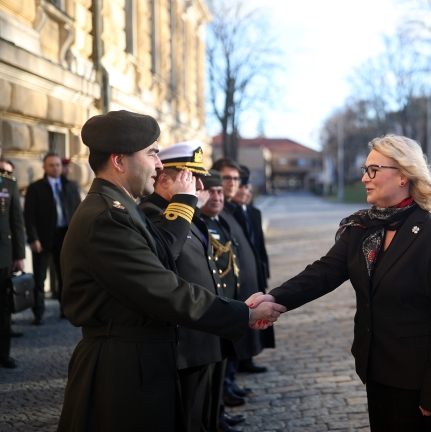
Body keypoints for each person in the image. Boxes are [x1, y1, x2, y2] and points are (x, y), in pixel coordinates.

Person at [57, 110, 285, 432]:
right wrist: (242, 314)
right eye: (151, 153)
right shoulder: (108, 217)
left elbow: (163, 256)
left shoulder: (123, 210)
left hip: (139, 363)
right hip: (122, 370)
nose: (159, 163)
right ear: (120, 161)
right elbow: (166, 290)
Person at [250, 134, 431, 431]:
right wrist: (274, 299)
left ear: (403, 175)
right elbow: (323, 273)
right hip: (376, 369)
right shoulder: (362, 228)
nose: (365, 178)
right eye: (365, 170)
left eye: (373, 170)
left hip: (418, 381)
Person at [139, 141, 225, 432]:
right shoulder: (152, 214)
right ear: (164, 180)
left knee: (203, 416)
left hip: (203, 334)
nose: (199, 185)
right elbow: (165, 254)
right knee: (187, 419)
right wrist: (184, 203)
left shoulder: (182, 211)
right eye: (191, 178)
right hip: (184, 339)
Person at [200, 170, 248, 432]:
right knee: (210, 375)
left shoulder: (220, 221)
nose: (217, 197)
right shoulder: (199, 223)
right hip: (211, 307)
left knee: (222, 367)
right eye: (211, 192)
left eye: (220, 192)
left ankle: (218, 414)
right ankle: (213, 418)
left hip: (226, 305)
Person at [24, 152, 82, 323]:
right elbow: (29, 216)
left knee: (64, 275)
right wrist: (33, 238)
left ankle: (66, 310)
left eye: (58, 165)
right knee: (39, 278)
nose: (55, 168)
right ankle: (38, 313)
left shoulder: (70, 186)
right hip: (42, 238)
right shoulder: (35, 188)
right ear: (44, 167)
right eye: (51, 165)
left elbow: (78, 211)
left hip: (65, 236)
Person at [231, 165, 272, 374]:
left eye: (248, 189)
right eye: (242, 188)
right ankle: (241, 361)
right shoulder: (231, 213)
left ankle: (249, 358)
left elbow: (260, 247)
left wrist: (264, 271)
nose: (245, 193)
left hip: (255, 270)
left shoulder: (253, 213)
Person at [0, 145, 25, 369]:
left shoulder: (7, 184)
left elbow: (17, 221)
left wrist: (19, 255)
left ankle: (3, 354)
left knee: (4, 308)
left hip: (3, 257)